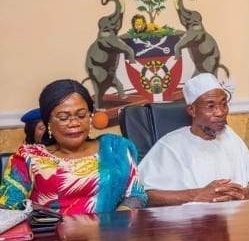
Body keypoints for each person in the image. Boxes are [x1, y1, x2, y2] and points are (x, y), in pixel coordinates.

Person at [0, 79, 147, 214]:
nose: (74, 123)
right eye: (63, 118)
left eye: (81, 115)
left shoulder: (114, 148)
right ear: (48, 123)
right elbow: (8, 207)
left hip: (109, 238)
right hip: (50, 239)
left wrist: (110, 226)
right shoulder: (29, 157)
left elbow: (136, 195)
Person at [138, 73, 249, 205]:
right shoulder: (170, 145)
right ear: (192, 110)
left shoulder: (230, 136)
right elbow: (143, 195)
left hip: (237, 219)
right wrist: (197, 195)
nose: (221, 112)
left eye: (223, 104)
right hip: (192, 222)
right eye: (211, 106)